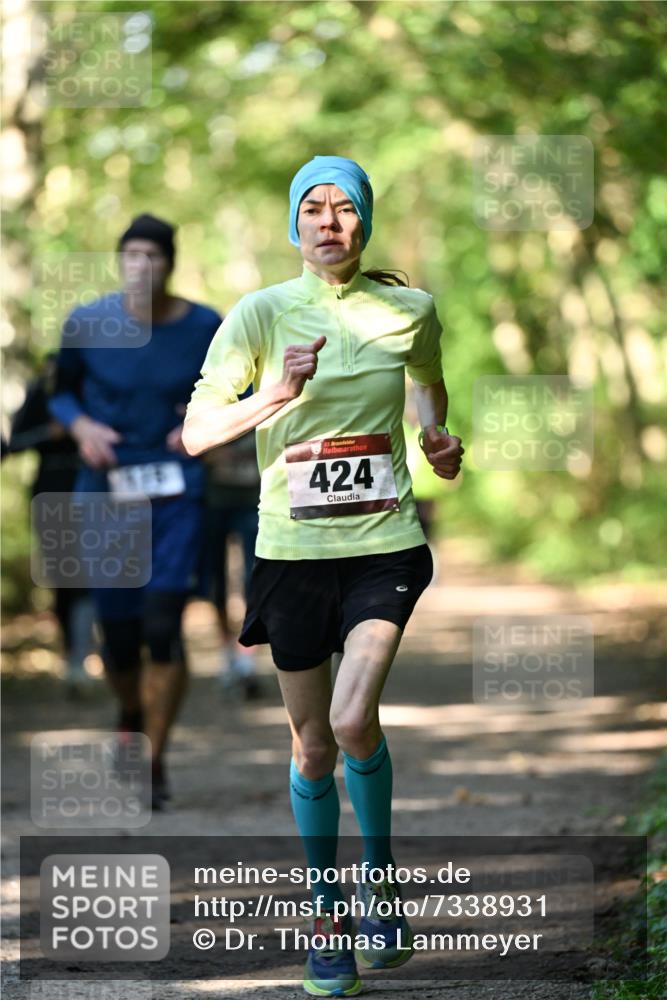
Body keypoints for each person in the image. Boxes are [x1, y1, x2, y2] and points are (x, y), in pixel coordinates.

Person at [183, 156, 463, 996]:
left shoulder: (408, 310)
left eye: (345, 208)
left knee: (349, 722)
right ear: (294, 224)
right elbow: (198, 433)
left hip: (383, 546)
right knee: (310, 747)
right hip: (290, 556)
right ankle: (327, 908)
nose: (330, 221)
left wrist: (438, 442)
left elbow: (430, 393)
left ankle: (378, 886)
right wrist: (276, 393)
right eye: (314, 208)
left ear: (364, 222)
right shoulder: (261, 314)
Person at [49, 214, 222, 809]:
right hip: (106, 492)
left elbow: (239, 391)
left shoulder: (206, 326)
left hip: (178, 493)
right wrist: (81, 425)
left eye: (152, 255)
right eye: (130, 255)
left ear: (170, 263)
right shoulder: (88, 323)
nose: (140, 266)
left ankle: (153, 759)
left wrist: (198, 425)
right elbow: (60, 389)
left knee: (164, 626)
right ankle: (128, 708)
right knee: (119, 638)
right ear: (119, 263)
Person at [8, 352, 96, 694]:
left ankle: (91, 655)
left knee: (95, 575)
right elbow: (14, 442)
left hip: (96, 493)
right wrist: (52, 433)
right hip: (51, 495)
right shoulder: (42, 389)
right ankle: (73, 660)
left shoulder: (98, 388)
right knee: (65, 578)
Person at [200, 427, 262, 699]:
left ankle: (247, 661)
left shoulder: (269, 384)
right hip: (212, 501)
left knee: (255, 580)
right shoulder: (204, 388)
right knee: (216, 583)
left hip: (255, 499)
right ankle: (228, 656)